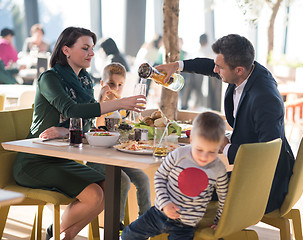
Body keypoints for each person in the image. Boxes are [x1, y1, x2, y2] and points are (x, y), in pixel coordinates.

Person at [12, 27, 146, 240]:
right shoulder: (49, 78)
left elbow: (85, 124)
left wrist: (66, 130)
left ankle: (62, 235)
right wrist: (120, 103)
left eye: (92, 48)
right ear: (66, 50)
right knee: (94, 196)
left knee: (110, 186)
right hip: (35, 162)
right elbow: (73, 111)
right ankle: (54, 232)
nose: (91, 53)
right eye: (85, 48)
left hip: (62, 159)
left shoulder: (84, 81)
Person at [156, 34, 295, 214]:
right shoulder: (248, 71)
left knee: (181, 187)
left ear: (238, 70)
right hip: (250, 173)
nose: (215, 70)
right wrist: (177, 66)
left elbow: (269, 154)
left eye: (219, 67)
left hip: (265, 185)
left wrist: (227, 147)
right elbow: (210, 66)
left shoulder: (264, 98)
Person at [121, 111, 229, 240]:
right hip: (159, 213)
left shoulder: (218, 169)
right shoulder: (179, 153)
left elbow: (224, 197)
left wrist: (219, 221)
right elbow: (160, 177)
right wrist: (165, 204)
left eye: (212, 151)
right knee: (128, 235)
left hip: (186, 225)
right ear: (192, 139)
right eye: (199, 149)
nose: (204, 157)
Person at [87, 62, 151, 230]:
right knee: (122, 181)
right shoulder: (96, 106)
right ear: (102, 84)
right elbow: (98, 125)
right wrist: (101, 100)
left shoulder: (122, 107)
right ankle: (116, 224)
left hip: (116, 158)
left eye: (120, 85)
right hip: (97, 159)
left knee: (143, 179)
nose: (116, 88)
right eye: (111, 84)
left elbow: (125, 129)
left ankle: (146, 222)